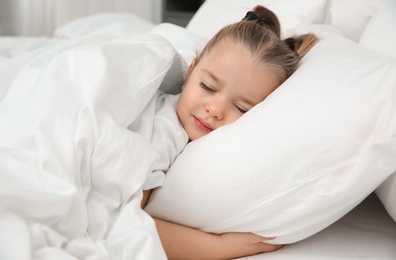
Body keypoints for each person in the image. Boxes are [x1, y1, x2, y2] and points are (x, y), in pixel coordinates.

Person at [140, 4, 319, 259]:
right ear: (191, 71)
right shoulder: (163, 132)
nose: (214, 109)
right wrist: (222, 247)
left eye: (241, 108)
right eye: (207, 86)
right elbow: (125, 225)